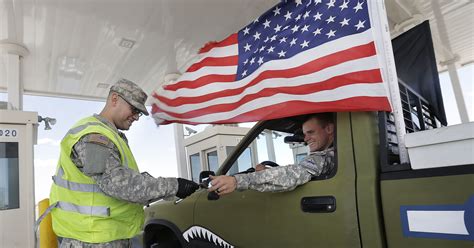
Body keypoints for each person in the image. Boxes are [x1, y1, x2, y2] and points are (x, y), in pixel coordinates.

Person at [49, 79, 199, 248]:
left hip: (103, 236)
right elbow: (119, 184)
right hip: (92, 240)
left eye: (139, 113)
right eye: (134, 109)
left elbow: (122, 180)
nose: (136, 117)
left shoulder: (111, 136)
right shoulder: (94, 136)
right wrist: (175, 186)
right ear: (114, 99)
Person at [208, 113, 335, 195]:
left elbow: (293, 174)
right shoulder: (332, 155)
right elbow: (297, 171)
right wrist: (268, 172)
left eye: (311, 132)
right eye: (305, 134)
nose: (306, 139)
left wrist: (236, 181)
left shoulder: (325, 157)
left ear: (329, 129)